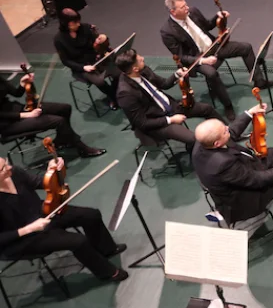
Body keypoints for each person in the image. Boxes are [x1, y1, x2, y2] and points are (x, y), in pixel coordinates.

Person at [0, 156, 128, 283]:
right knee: (78, 241)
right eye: (3, 168)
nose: (9, 167)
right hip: (22, 239)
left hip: (44, 213)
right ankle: (107, 273)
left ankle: (106, 249)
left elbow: (40, 182)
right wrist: (29, 229)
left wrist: (52, 171)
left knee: (91, 215)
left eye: (6, 162)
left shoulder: (14, 173)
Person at [193, 108, 273, 234]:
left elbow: (231, 132)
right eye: (225, 131)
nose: (228, 128)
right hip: (248, 197)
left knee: (271, 153)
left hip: (243, 175)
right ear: (217, 144)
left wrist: (249, 113)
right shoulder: (223, 164)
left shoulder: (202, 142)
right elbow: (257, 180)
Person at [160, 0, 273, 121]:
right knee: (211, 74)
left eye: (186, 4)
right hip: (198, 58)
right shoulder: (167, 31)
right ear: (173, 11)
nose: (187, 8)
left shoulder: (193, 12)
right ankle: (228, 106)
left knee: (246, 48)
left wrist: (218, 17)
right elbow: (181, 56)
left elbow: (208, 25)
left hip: (214, 46)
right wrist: (203, 61)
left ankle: (259, 81)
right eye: (183, 7)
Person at [115, 49, 223, 149]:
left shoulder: (143, 70)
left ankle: (227, 134)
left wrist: (177, 75)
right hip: (157, 122)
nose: (143, 58)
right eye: (140, 60)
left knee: (207, 109)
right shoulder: (125, 94)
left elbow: (164, 84)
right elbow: (142, 123)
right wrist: (171, 120)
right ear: (135, 69)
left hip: (171, 107)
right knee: (193, 139)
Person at [0, 71, 105, 158]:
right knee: (59, 121)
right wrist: (26, 115)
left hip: (21, 109)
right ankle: (82, 148)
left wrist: (22, 83)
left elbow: (16, 93)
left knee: (65, 108)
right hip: (9, 124)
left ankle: (62, 139)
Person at [53, 9, 119, 110]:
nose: (78, 24)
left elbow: (100, 44)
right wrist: (83, 67)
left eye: (78, 21)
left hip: (97, 59)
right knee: (99, 82)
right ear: (65, 23)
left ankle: (116, 92)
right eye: (75, 23)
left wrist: (102, 40)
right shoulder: (59, 39)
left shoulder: (85, 28)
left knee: (118, 71)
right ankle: (113, 97)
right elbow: (65, 61)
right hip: (81, 67)